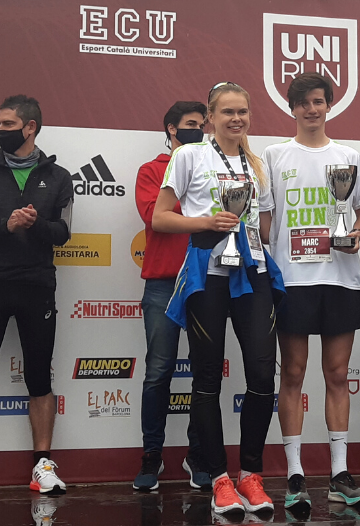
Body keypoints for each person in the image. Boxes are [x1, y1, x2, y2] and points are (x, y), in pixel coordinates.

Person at [152, 82, 284, 515]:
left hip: (253, 273)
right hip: (206, 275)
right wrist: (206, 222)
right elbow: (160, 218)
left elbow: (266, 230)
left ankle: (251, 476)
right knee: (207, 378)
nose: (236, 119)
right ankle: (219, 479)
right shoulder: (189, 156)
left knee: (262, 375)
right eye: (227, 112)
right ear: (210, 117)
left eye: (242, 111)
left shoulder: (258, 165)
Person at [260, 72, 360, 510]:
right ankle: (295, 476)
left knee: (338, 375)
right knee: (292, 373)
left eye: (319, 101)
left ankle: (339, 474)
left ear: (329, 105)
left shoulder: (349, 156)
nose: (312, 109)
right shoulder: (274, 155)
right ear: (292, 108)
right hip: (292, 280)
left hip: (339, 277)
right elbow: (266, 222)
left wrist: (355, 234)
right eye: (304, 102)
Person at [0, 95, 73, 494]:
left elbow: (63, 232)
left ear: (30, 127)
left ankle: (42, 466)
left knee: (39, 376)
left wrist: (34, 225)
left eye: (7, 124)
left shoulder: (59, 177)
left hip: (37, 287)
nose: (0, 130)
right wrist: (6, 225)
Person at [133, 101, 212, 492]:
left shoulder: (213, 167)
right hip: (164, 283)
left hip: (204, 280)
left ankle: (197, 454)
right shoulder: (151, 170)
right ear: (171, 129)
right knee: (158, 371)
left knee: (203, 371)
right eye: (190, 124)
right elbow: (156, 216)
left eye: (202, 124)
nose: (198, 130)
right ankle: (152, 454)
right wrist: (198, 206)